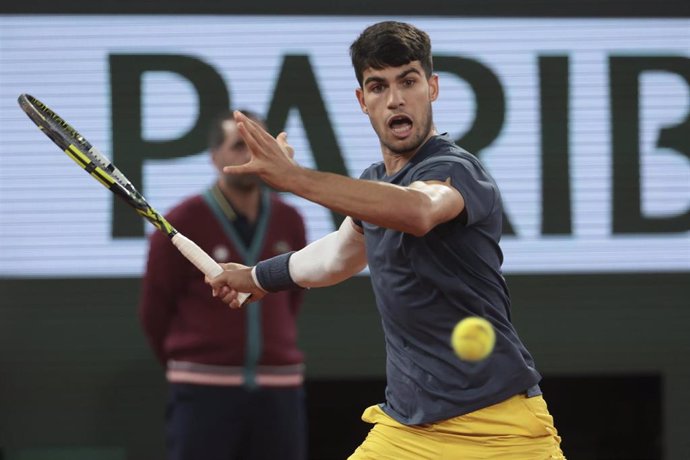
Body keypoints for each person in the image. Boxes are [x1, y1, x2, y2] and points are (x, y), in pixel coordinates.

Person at [208, 21, 565, 459]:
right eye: (378, 87)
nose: (395, 98)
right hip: (406, 431)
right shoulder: (373, 185)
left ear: (432, 88)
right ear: (362, 101)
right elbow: (338, 256)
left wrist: (296, 179)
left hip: (498, 429)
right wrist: (259, 277)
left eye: (408, 81)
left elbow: (417, 211)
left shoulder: (458, 171)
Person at [139, 110, 308, 460]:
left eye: (256, 145)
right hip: (203, 390)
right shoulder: (181, 222)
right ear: (214, 157)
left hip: (280, 389)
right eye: (237, 146)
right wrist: (195, 358)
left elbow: (293, 297)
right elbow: (155, 310)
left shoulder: (291, 220)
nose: (249, 155)